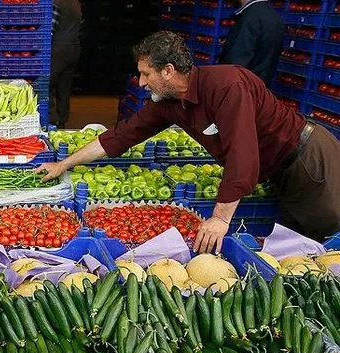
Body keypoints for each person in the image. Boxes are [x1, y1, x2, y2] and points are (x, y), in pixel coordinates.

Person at [37, 31, 340, 251]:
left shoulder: (226, 87)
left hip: (308, 162)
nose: (141, 83)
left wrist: (220, 219)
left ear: (168, 71)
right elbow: (120, 136)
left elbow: (242, 155)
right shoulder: (169, 103)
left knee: (324, 241)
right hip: (278, 170)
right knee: (295, 244)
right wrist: (63, 163)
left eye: (146, 74)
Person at [219, 0, 284, 86]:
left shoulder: (249, 18)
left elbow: (235, 64)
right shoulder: (274, 15)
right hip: (260, 89)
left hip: (241, 90)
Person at [50, 0, 82, 128]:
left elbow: (51, 28)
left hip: (58, 49)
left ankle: (51, 121)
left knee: (47, 84)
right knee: (64, 87)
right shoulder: (76, 3)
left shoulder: (56, 3)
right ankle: (62, 120)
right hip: (74, 47)